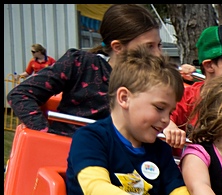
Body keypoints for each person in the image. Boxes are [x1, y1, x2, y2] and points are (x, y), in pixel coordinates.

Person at [65, 47, 222, 195]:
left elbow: (177, 191)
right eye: (159, 108)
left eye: (170, 111)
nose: (166, 120)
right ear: (124, 98)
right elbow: (96, 190)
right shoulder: (90, 138)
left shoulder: (159, 149)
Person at [7, 4, 170, 140]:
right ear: (118, 47)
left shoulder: (152, 82)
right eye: (149, 46)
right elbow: (21, 95)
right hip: (66, 155)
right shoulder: (82, 64)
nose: (158, 54)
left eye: (159, 45)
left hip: (115, 164)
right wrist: (46, 137)